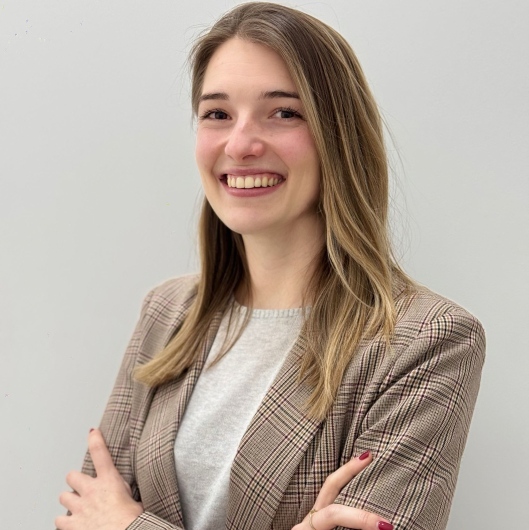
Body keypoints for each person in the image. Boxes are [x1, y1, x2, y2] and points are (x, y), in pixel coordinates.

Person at [55, 3, 485, 530]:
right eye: (217, 114)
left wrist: (129, 524)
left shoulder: (428, 340)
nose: (240, 145)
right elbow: (83, 517)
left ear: (339, 134)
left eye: (283, 113)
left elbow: (108, 521)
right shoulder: (166, 312)